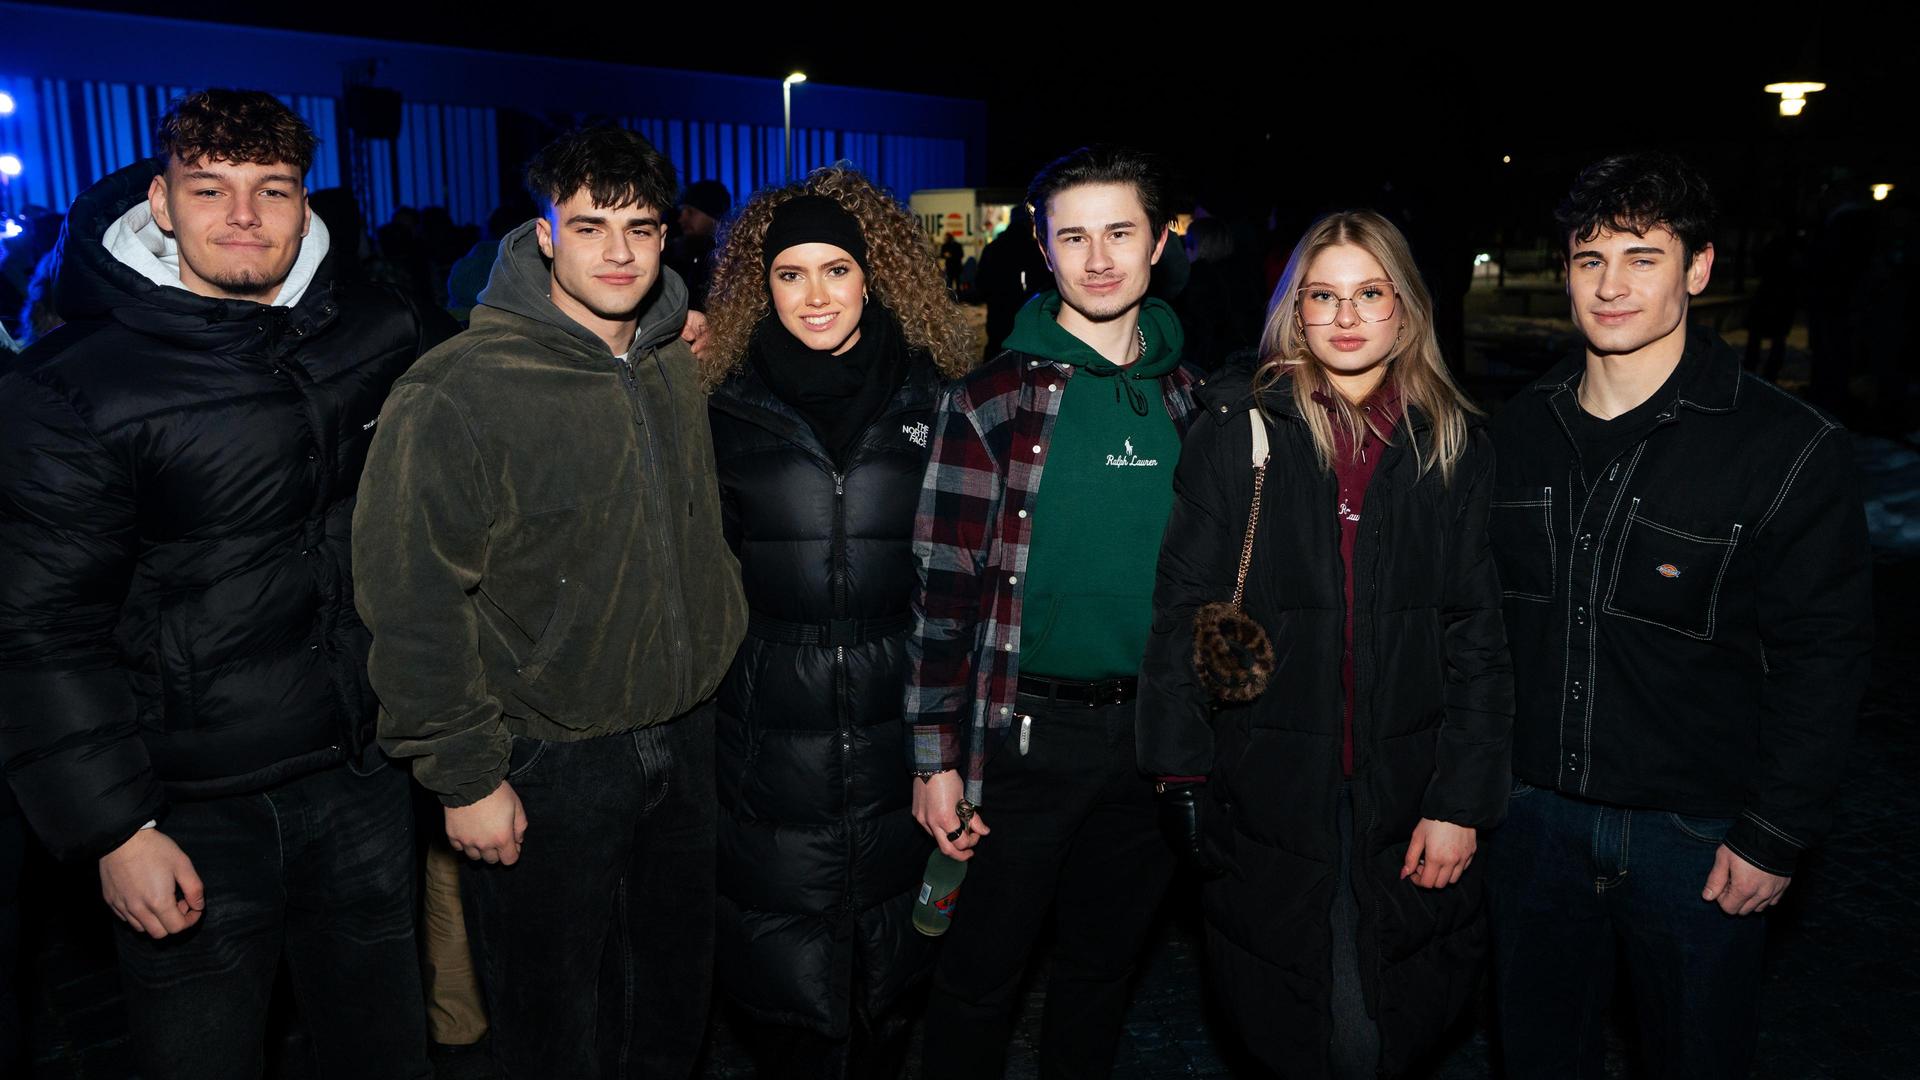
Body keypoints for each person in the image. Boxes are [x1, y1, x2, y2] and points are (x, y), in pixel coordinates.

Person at [0, 88, 446, 1079]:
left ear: (305, 205)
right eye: (211, 188)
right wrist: (114, 825)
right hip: (192, 808)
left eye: (272, 189)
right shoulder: (76, 388)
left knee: (385, 1053)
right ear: (161, 202)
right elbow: (39, 628)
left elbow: (486, 390)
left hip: (363, 776)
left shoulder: (374, 328)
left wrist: (649, 344)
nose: (244, 215)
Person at [352, 125, 748, 1079]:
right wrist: (464, 774)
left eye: (641, 229)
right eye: (590, 226)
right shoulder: (456, 390)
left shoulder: (673, 363)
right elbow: (411, 598)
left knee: (669, 1015)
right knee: (552, 1032)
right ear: (542, 236)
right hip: (547, 760)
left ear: (667, 239)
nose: (618, 252)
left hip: (689, 742)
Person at [1482, 152, 1873, 1080]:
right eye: (1589, 259)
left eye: (1642, 257)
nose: (1610, 286)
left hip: (1696, 841)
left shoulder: (1787, 448)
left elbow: (1825, 653)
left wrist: (1775, 831)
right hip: (1531, 825)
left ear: (1697, 270)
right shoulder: (1515, 433)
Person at [1138, 211, 1513, 1078]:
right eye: (1324, 296)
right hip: (1267, 780)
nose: (1346, 317)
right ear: (1294, 311)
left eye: (1369, 294)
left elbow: (1477, 636)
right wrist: (1181, 772)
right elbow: (1185, 610)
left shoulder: (1451, 443)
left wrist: (1462, 799)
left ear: (1405, 310)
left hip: (1408, 786)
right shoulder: (1240, 432)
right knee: (1301, 1019)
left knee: (1383, 1019)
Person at [905, 145, 1199, 1079]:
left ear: (1159, 242)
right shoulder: (991, 399)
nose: (1100, 257)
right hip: (1019, 739)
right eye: (1074, 235)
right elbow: (941, 591)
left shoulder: (1203, 405)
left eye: (1120, 232)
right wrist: (934, 758)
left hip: (1152, 742)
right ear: (1041, 247)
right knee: (977, 977)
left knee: (1103, 972)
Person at [699, 165, 977, 1079]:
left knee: (892, 995)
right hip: (767, 737)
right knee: (787, 1002)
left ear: (873, 274)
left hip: (905, 730)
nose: (814, 296)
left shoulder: (937, 395)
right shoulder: (717, 402)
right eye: (789, 274)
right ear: (760, 284)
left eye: (836, 270)